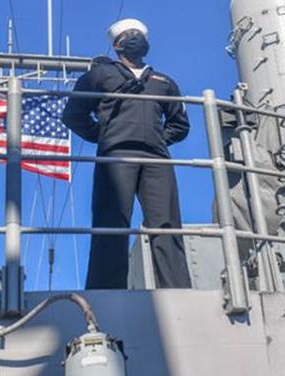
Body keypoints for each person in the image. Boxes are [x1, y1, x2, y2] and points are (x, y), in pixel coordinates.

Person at [62, 18, 192, 289]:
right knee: (112, 221)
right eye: (128, 35)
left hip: (156, 158)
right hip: (116, 155)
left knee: (166, 223)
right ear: (117, 44)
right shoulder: (100, 75)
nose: (135, 38)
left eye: (139, 34)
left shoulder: (163, 82)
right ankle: (106, 290)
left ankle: (177, 288)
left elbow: (179, 124)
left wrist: (158, 139)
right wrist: (105, 135)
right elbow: (73, 115)